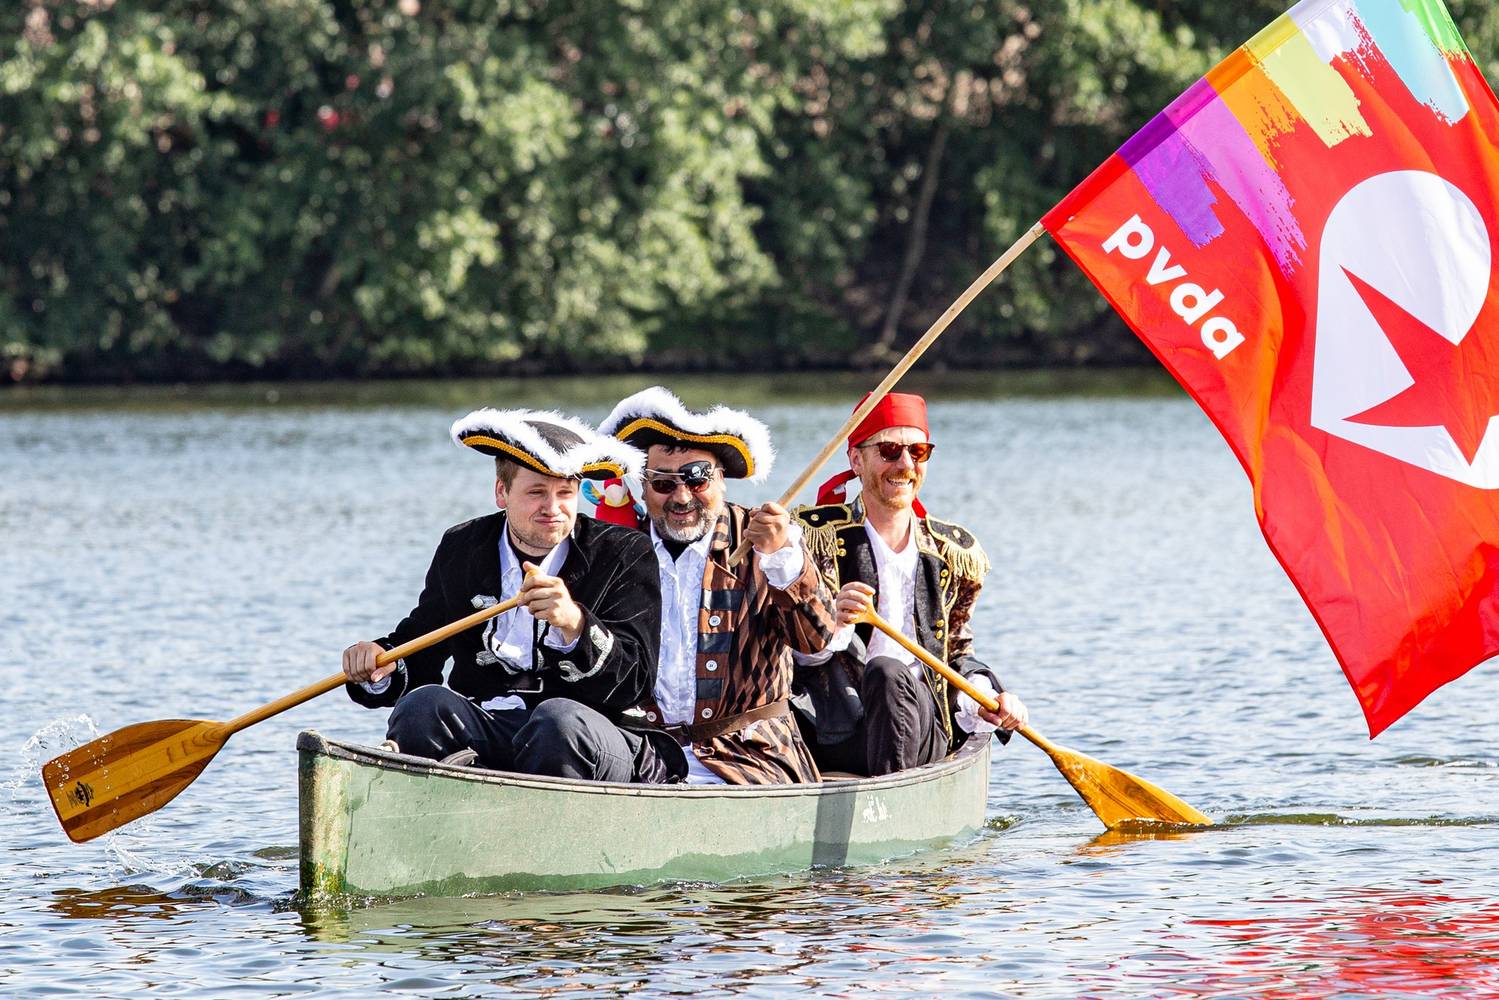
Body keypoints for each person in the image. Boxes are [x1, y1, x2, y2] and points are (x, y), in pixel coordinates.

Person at [340, 407, 679, 783]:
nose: (553, 509)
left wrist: (575, 624)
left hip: (598, 735)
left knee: (557, 720)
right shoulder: (463, 546)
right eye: (536, 493)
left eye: (565, 493)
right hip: (495, 725)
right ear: (502, 492)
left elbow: (636, 682)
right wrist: (379, 664)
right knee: (422, 707)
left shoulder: (624, 551)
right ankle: (455, 808)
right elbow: (421, 648)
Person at [598, 386, 839, 783]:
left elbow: (817, 639)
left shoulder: (768, 540)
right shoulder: (618, 551)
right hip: (643, 755)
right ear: (641, 487)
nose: (681, 497)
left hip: (752, 756)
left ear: (721, 479)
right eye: (663, 483)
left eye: (697, 479)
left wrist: (782, 560)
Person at [791, 392, 1029, 776]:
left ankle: (893, 794)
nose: (904, 465)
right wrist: (831, 622)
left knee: (888, 672)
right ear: (856, 459)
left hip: (920, 724)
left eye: (917, 452)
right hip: (832, 724)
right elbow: (787, 650)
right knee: (882, 672)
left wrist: (985, 699)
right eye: (888, 450)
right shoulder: (811, 537)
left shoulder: (951, 551)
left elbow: (955, 652)